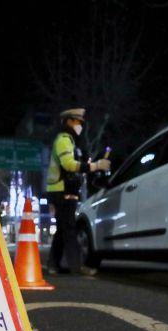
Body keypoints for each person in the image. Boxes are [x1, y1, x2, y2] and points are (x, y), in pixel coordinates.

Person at [46, 108, 110, 276]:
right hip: (62, 190)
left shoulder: (70, 142)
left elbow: (75, 165)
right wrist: (96, 166)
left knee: (63, 229)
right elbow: (68, 165)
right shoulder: (64, 140)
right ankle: (77, 266)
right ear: (68, 121)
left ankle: (53, 264)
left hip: (64, 190)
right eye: (77, 121)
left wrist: (89, 164)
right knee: (69, 229)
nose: (80, 125)